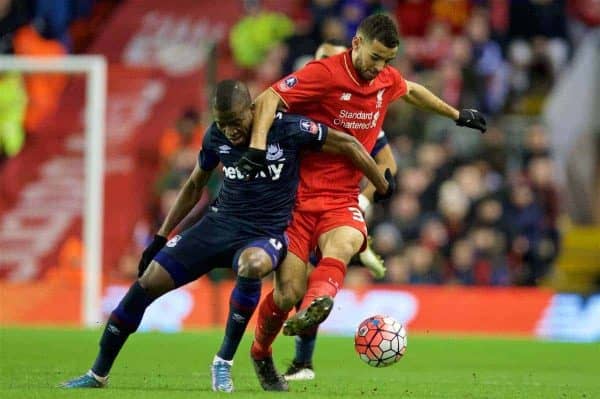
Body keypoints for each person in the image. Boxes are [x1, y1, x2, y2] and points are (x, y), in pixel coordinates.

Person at [59, 79, 390, 392]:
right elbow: (193, 186)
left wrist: (381, 182)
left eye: (234, 120)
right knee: (147, 281)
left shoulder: (287, 128)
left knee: (252, 264)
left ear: (251, 110)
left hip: (265, 232)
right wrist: (160, 237)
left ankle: (223, 362)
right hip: (217, 225)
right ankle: (97, 373)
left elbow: (347, 143)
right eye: (222, 121)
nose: (229, 129)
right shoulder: (215, 136)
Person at [236, 14, 486, 391]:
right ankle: (261, 352)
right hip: (296, 198)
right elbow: (270, 96)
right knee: (287, 293)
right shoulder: (323, 74)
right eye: (375, 57)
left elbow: (413, 90)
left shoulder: (384, 78)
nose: (380, 67)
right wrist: (256, 146)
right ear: (356, 44)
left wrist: (456, 114)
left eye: (388, 60)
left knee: (348, 240)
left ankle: (318, 305)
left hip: (340, 199)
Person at [284, 39, 398, 381]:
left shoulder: (361, 116)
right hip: (294, 204)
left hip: (332, 206)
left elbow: (388, 164)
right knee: (294, 287)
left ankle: (302, 363)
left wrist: (362, 203)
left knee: (310, 285)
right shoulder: (295, 107)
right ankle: (297, 361)